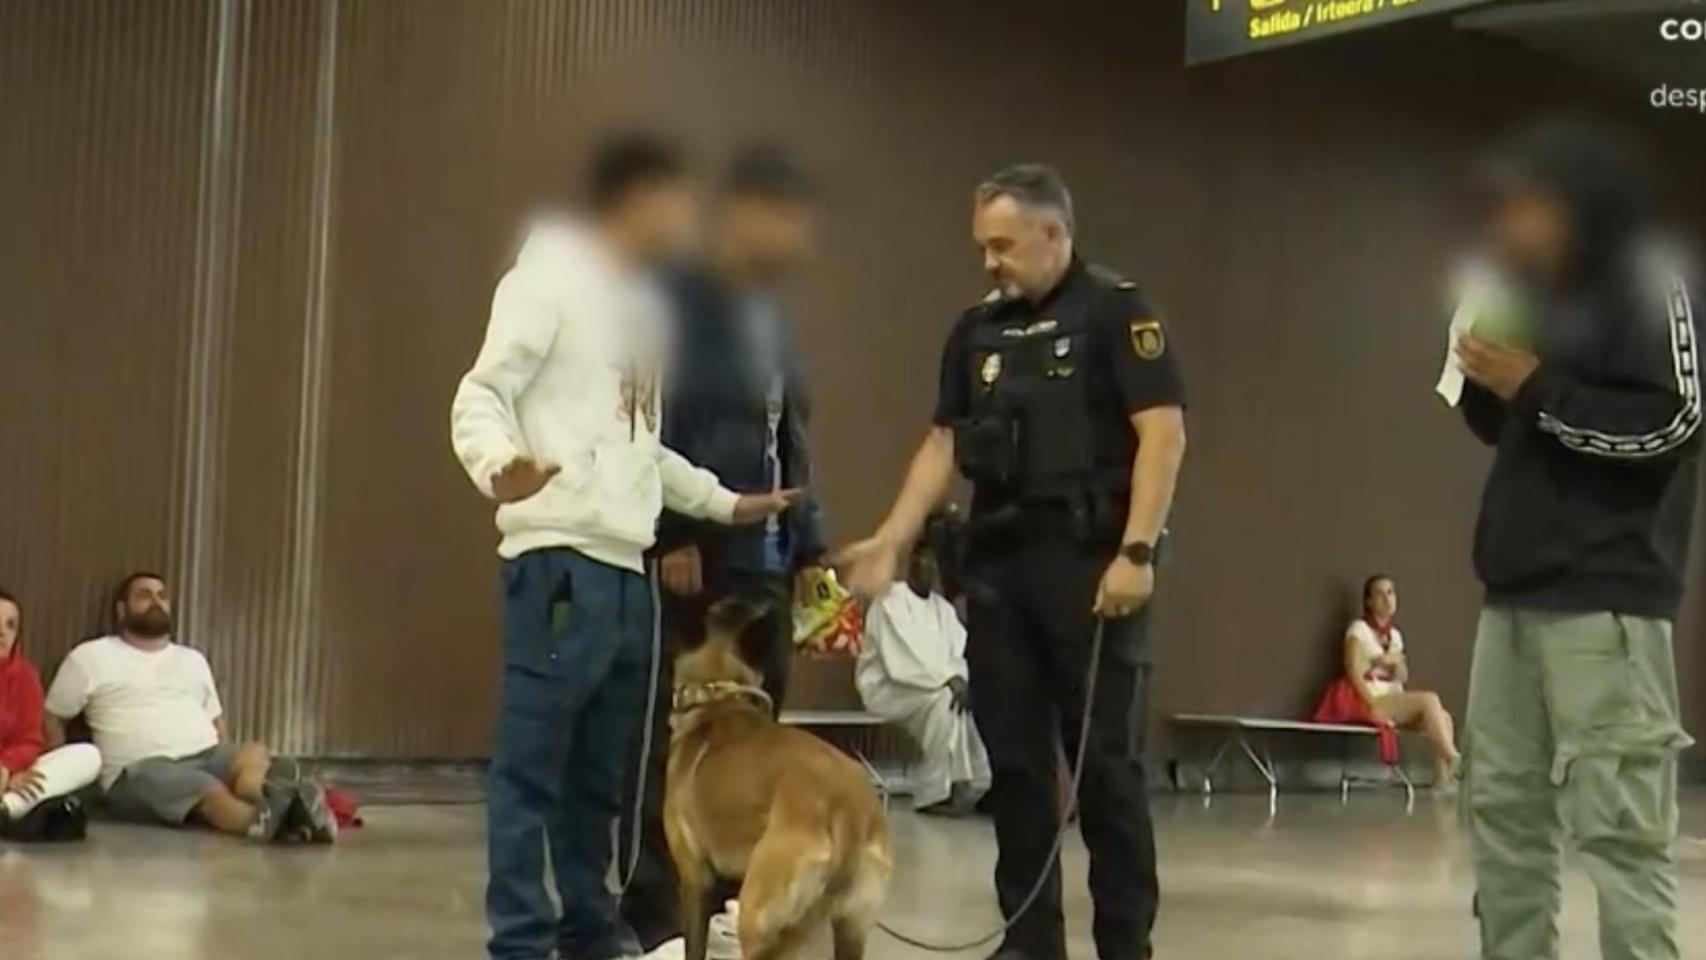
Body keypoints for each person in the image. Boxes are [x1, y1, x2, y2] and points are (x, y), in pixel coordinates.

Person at [449, 132, 797, 960]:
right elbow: (481, 391)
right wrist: (498, 466)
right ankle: (522, 940)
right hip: (559, 559)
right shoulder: (547, 280)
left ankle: (587, 929)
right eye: (676, 202)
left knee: (602, 775)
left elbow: (644, 449)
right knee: (535, 768)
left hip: (625, 575)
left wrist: (727, 502)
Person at [839, 163, 1187, 960]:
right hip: (999, 570)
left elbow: (1162, 435)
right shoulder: (975, 331)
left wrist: (1137, 551)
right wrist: (894, 536)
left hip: (1092, 570)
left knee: (1107, 773)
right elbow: (943, 442)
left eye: (1003, 244)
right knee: (1019, 771)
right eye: (983, 246)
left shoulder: (1116, 312)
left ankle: (1124, 945)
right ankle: (1030, 945)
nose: (990, 261)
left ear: (1054, 234)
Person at [1451, 118, 1698, 960]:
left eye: (1525, 205)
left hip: (1608, 601)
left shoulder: (1651, 281)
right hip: (1512, 593)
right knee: (1503, 816)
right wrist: (1482, 375)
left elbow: (1674, 421)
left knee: (1621, 832)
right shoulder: (1533, 290)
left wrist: (1537, 386)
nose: (1509, 222)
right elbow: (1508, 424)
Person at [618, 144, 828, 950]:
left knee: (754, 750)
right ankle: (655, 914)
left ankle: (741, 910)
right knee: (677, 749)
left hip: (766, 565)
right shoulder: (677, 306)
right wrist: (673, 532)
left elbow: (792, 437)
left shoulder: (770, 318)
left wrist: (812, 548)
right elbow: (654, 423)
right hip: (697, 556)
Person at [41, 572, 333, 842]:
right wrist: (67, 784)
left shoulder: (192, 659)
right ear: (121, 610)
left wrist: (228, 758)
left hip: (205, 755)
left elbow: (217, 723)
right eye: (144, 595)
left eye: (162, 596)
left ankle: (282, 799)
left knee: (252, 752)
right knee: (203, 787)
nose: (156, 601)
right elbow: (52, 718)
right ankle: (276, 822)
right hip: (139, 771)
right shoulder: (90, 656)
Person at [855, 541, 991, 814]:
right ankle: (933, 793)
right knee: (944, 700)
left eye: (935, 563)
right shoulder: (890, 600)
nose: (929, 568)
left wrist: (960, 680)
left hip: (932, 686)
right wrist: (948, 679)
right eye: (924, 561)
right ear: (912, 563)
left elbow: (959, 653)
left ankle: (968, 786)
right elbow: (902, 659)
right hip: (889, 688)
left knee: (966, 699)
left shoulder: (943, 609)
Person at [1322, 575, 1460, 787]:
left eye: (1391, 593)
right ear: (1368, 601)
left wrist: (1398, 668)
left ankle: (1444, 782)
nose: (1388, 599)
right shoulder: (1359, 630)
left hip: (1393, 698)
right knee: (1429, 699)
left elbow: (1402, 677)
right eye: (1380, 594)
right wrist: (1378, 667)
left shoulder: (1395, 636)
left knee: (1445, 718)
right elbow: (1353, 669)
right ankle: (1454, 758)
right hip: (1369, 699)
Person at [0, 588, 100, 830]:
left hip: (7, 773)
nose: (2, 632)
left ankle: (6, 810)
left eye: (10, 625)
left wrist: (7, 771)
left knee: (88, 756)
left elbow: (29, 740)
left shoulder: (25, 676)